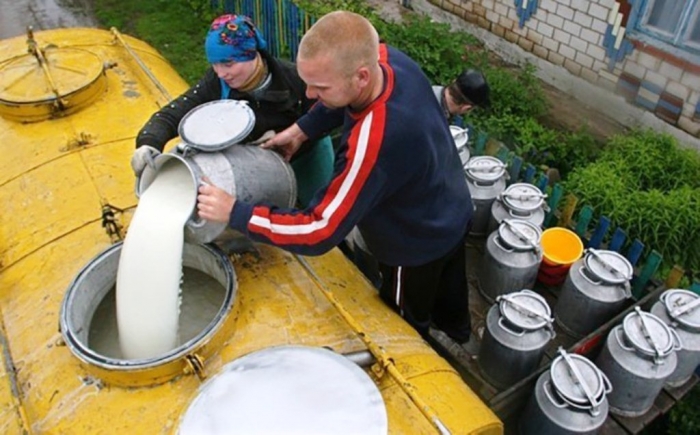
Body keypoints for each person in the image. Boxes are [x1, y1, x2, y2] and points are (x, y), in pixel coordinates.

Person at [197, 11, 475, 346]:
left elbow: (320, 230)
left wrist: (236, 212)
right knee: (451, 289)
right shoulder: (387, 60)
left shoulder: (373, 143)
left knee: (407, 318)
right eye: (308, 82)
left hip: (415, 241)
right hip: (453, 204)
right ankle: (460, 335)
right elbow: (342, 98)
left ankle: (431, 355)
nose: (310, 95)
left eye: (320, 86)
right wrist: (303, 129)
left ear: (359, 76)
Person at [131, 14, 334, 207]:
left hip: (306, 157)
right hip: (259, 165)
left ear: (251, 54)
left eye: (228, 63)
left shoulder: (294, 79)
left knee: (323, 206)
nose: (220, 73)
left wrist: (299, 136)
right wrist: (149, 142)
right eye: (215, 64)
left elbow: (328, 112)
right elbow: (172, 114)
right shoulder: (215, 83)